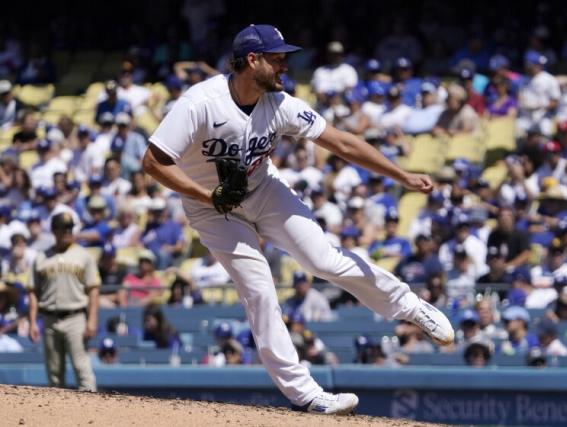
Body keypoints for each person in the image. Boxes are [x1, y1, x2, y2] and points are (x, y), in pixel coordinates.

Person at [142, 24, 453, 415]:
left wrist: (401, 175)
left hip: (263, 189)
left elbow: (339, 141)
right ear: (252, 61)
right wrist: (207, 196)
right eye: (276, 59)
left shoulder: (279, 103)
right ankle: (306, 393)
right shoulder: (200, 102)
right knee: (259, 289)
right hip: (210, 207)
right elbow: (153, 162)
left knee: (323, 260)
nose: (284, 66)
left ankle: (408, 305)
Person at [26, 212, 99, 391]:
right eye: (63, 228)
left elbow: (94, 290)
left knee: (83, 371)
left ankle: (92, 414)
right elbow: (33, 292)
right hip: (49, 319)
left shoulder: (83, 255)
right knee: (54, 374)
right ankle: (57, 417)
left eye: (70, 228)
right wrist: (33, 322)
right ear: (54, 230)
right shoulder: (41, 257)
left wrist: (92, 320)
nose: (67, 231)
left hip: (75, 318)